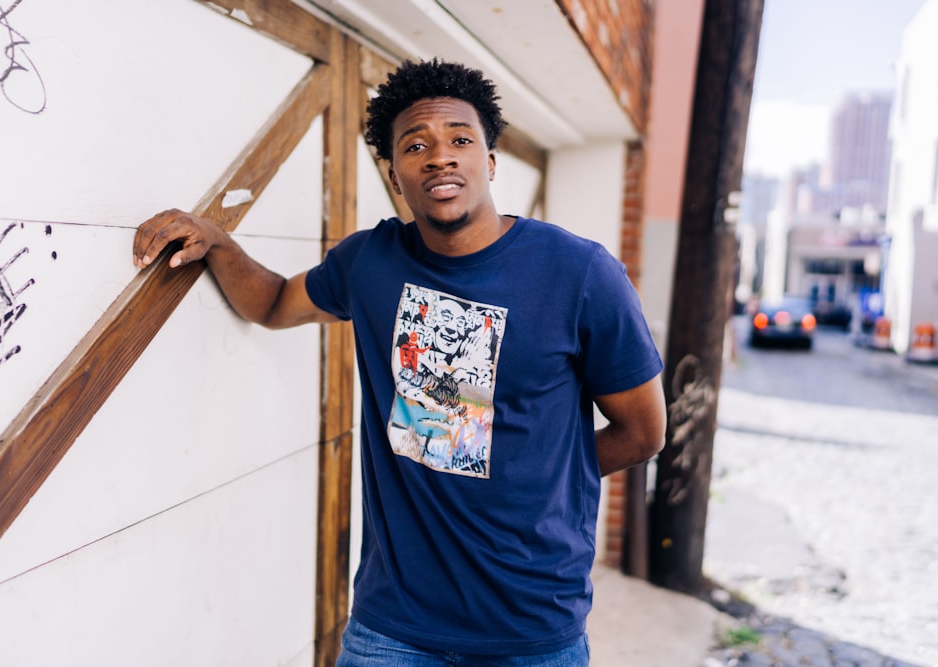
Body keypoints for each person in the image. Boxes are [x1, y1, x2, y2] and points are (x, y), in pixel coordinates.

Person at [133, 58, 667, 666]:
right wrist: (220, 243)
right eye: (417, 146)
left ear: (489, 163)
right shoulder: (371, 262)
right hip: (394, 624)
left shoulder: (580, 274)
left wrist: (545, 477)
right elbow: (277, 302)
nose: (441, 156)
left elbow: (644, 432)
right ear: (395, 175)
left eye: (461, 140)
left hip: (530, 623)